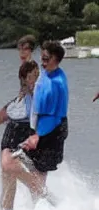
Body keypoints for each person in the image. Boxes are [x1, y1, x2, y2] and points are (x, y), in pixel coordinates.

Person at [0, 60, 41, 210]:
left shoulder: (40, 94)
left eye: (36, 76)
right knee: (8, 169)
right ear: (23, 78)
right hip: (12, 136)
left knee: (9, 171)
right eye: (31, 77)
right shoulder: (20, 97)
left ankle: (39, 195)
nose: (34, 79)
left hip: (29, 137)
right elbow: (7, 111)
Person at [18, 40, 69, 196]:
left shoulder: (56, 83)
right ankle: (42, 198)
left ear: (56, 59)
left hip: (52, 128)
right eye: (42, 58)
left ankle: (45, 203)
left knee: (39, 171)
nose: (43, 61)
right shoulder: (47, 72)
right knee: (27, 165)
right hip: (41, 127)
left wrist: (37, 136)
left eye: (46, 59)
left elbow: (52, 118)